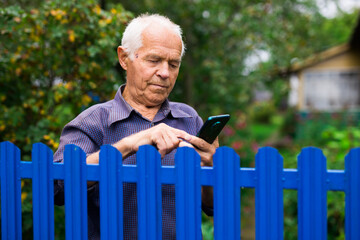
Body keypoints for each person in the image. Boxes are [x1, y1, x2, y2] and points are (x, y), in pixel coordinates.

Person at [54, 13, 218, 239]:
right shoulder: (92, 122)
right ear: (124, 58)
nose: (164, 73)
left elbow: (212, 206)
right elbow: (58, 187)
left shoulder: (189, 119)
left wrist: (210, 169)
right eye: (154, 60)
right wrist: (130, 144)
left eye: (173, 64)